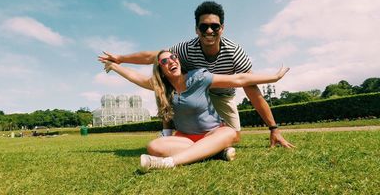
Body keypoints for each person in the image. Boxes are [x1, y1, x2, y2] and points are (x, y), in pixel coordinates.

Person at [99, 1, 295, 148]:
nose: (209, 30)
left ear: (222, 28)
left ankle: (202, 145)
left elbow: (247, 84)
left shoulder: (234, 52)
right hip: (193, 92)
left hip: (223, 94)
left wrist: (273, 128)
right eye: (203, 27)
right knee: (162, 82)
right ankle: (168, 133)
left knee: (233, 136)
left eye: (214, 26)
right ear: (196, 29)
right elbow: (154, 56)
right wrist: (121, 59)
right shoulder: (185, 49)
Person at [99, 50, 290, 171]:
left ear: (179, 61)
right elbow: (134, 76)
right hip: (186, 138)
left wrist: (273, 78)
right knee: (154, 147)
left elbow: (238, 79)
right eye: (164, 61)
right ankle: (215, 153)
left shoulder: (198, 77)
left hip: (215, 133)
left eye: (173, 57)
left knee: (230, 132)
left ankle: (168, 163)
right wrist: (115, 65)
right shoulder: (161, 87)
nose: (171, 61)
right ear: (161, 69)